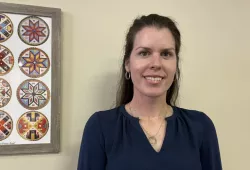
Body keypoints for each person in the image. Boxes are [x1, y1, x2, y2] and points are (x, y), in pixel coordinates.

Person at [77, 14, 222, 170]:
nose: (156, 64)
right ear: (127, 64)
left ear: (175, 65)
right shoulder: (100, 127)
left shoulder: (200, 126)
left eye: (166, 54)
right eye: (144, 53)